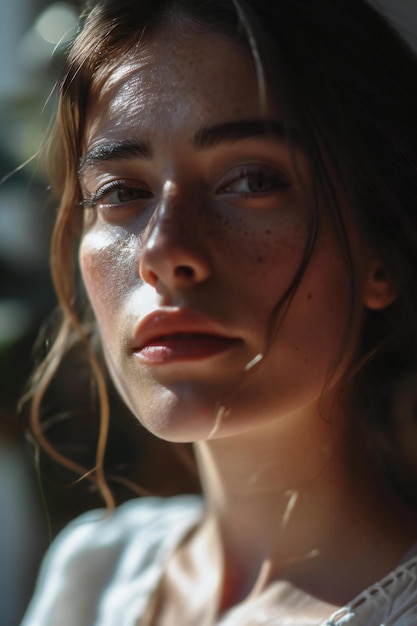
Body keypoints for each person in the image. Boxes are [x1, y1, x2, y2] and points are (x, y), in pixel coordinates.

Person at [21, 0, 417, 624]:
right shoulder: (94, 573)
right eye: (123, 192)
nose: (164, 252)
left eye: (254, 181)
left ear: (384, 246)